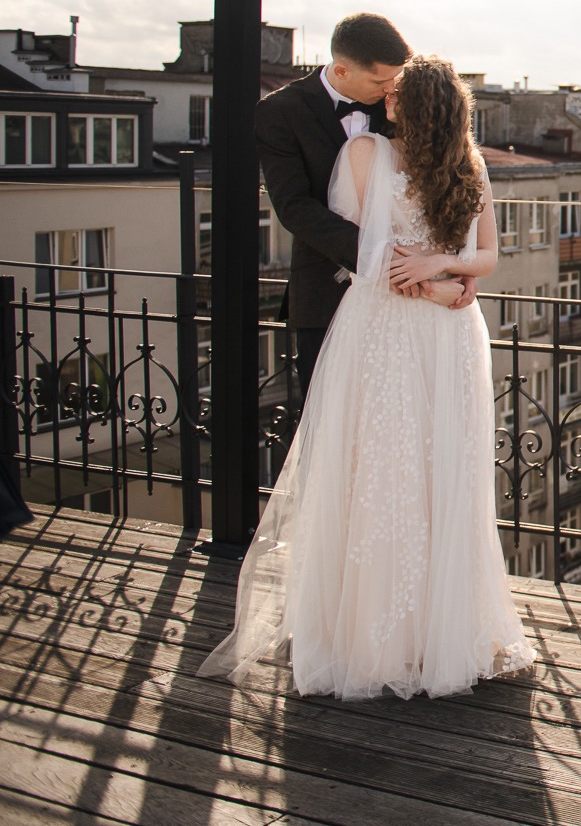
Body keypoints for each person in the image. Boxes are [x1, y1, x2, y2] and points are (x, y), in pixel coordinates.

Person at [200, 55, 533, 699]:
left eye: (397, 93)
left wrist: (438, 270)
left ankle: (440, 631)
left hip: (441, 331)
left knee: (444, 472)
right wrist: (442, 285)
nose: (386, 100)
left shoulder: (467, 165)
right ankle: (380, 635)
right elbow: (359, 252)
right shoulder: (364, 153)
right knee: (383, 469)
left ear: (413, 106)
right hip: (388, 326)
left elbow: (487, 256)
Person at [256, 14, 474, 398]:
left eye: (396, 79)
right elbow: (294, 207)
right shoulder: (280, 112)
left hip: (410, 308)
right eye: (380, 81)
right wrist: (388, 264)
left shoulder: (396, 104)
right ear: (341, 70)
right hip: (326, 293)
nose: (392, 89)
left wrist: (453, 263)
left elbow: (437, 179)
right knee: (331, 424)